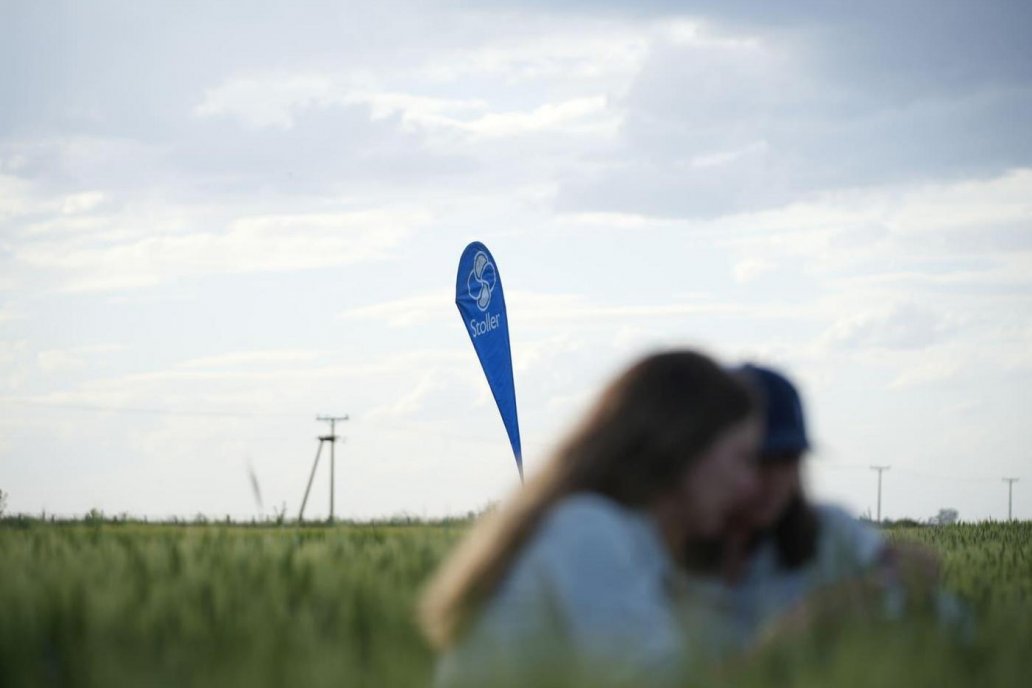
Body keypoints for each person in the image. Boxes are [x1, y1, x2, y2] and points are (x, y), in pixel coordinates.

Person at [419, 350, 761, 688]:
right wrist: (783, 645)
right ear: (682, 447)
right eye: (740, 459)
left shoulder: (605, 530)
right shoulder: (590, 532)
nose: (750, 486)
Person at [680, 363, 950, 663]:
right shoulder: (662, 552)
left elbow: (948, 625)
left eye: (787, 458)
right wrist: (795, 630)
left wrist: (910, 584)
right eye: (758, 459)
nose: (774, 480)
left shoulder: (832, 532)